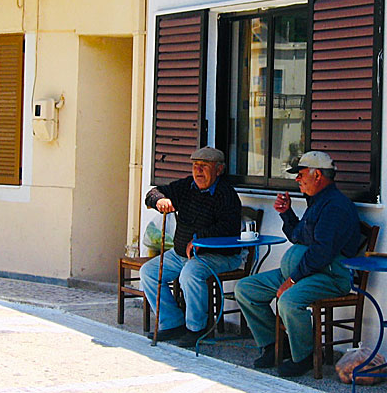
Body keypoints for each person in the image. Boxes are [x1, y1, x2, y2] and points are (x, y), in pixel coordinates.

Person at [234, 151, 361, 377]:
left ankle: (304, 357)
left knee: (290, 300)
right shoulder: (318, 202)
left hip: (329, 276)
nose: (297, 180)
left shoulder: (335, 207)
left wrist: (292, 281)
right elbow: (298, 236)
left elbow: (322, 253)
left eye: (301, 174)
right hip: (303, 273)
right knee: (246, 289)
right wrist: (286, 213)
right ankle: (275, 345)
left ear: (318, 175)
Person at [140, 146, 243, 348]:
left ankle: (197, 328)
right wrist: (160, 200)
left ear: (219, 170)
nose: (198, 171)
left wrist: (198, 239)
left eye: (204, 166)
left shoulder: (227, 195)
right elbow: (152, 193)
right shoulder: (187, 186)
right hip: (181, 254)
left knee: (190, 273)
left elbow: (228, 229)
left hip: (218, 255)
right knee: (149, 273)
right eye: (195, 166)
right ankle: (172, 322)